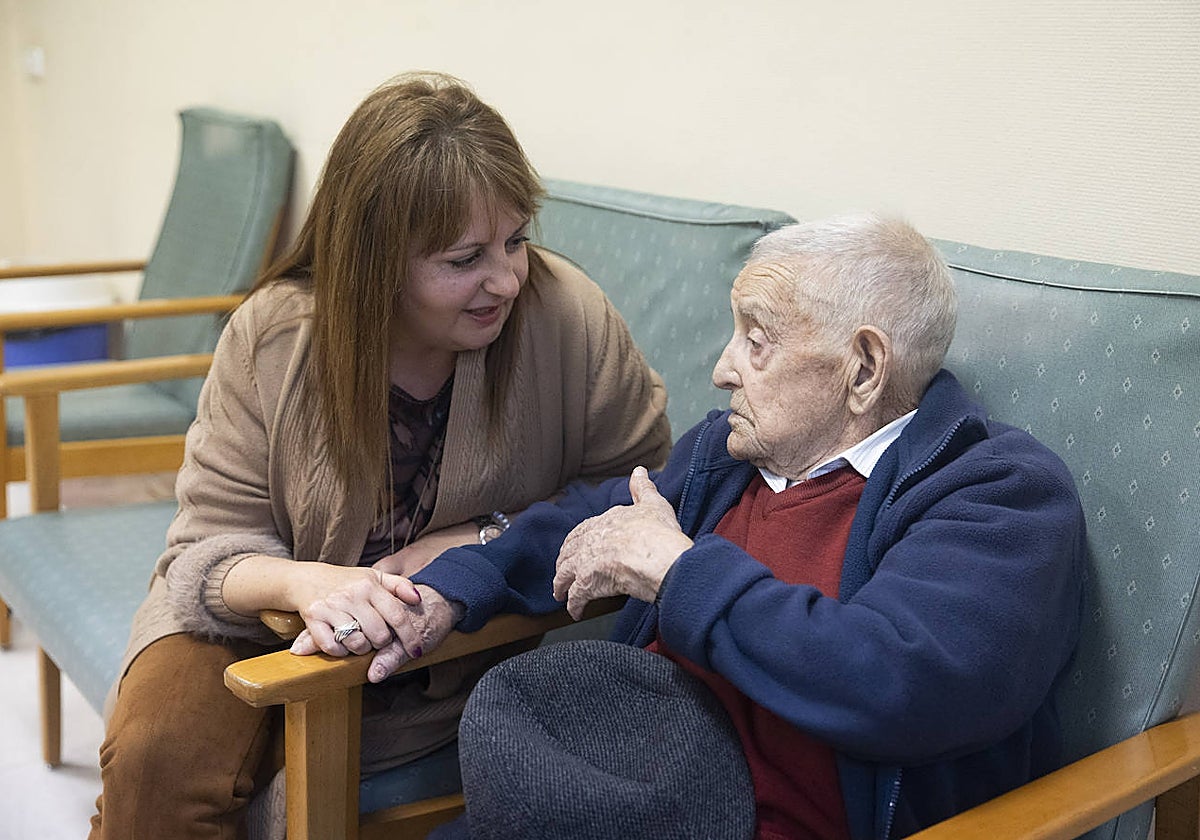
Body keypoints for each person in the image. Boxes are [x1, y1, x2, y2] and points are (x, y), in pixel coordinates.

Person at [88, 72, 672, 839]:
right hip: (243, 616)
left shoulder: (571, 321)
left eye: (517, 238)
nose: (505, 277)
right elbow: (207, 552)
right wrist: (308, 583)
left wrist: (482, 540)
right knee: (154, 769)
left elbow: (645, 498)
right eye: (463, 258)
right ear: (377, 261)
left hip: (447, 648)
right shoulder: (274, 337)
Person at [403, 214, 1087, 840]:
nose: (722, 369)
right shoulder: (733, 454)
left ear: (865, 368)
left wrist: (677, 572)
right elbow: (601, 519)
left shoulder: (998, 496)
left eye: (755, 342)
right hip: (605, 804)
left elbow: (893, 681)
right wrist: (448, 590)